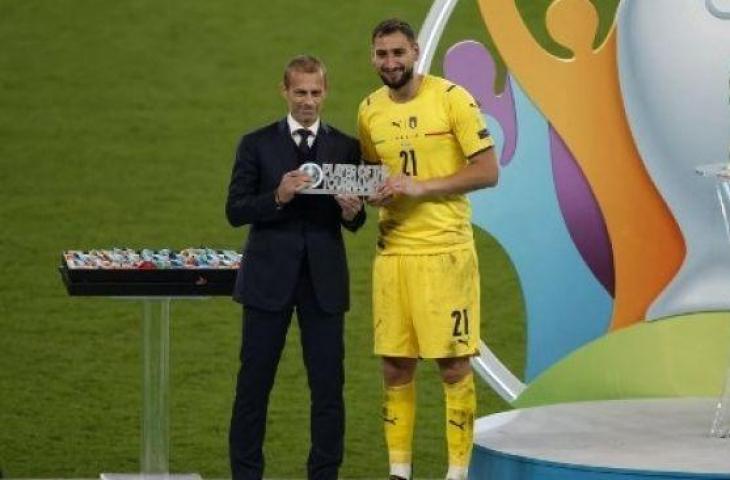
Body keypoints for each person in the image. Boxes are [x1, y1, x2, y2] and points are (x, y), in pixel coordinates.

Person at [357, 19, 499, 480]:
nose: (391, 63)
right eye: (382, 54)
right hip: (393, 253)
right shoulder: (369, 110)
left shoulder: (452, 98)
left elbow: (488, 170)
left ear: (416, 52)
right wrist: (372, 193)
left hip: (445, 251)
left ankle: (457, 474)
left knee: (454, 364)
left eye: (398, 53)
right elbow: (373, 176)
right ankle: (399, 472)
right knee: (395, 365)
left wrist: (423, 187)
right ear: (373, 57)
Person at [226, 54, 365, 480]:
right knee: (253, 387)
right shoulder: (256, 144)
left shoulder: (346, 147)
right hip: (267, 283)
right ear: (284, 91)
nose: (308, 101)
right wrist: (278, 197)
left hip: (323, 286)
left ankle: (324, 474)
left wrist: (350, 210)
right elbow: (235, 210)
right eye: (300, 92)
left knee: (328, 390)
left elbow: (357, 221)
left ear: (326, 92)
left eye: (315, 92)